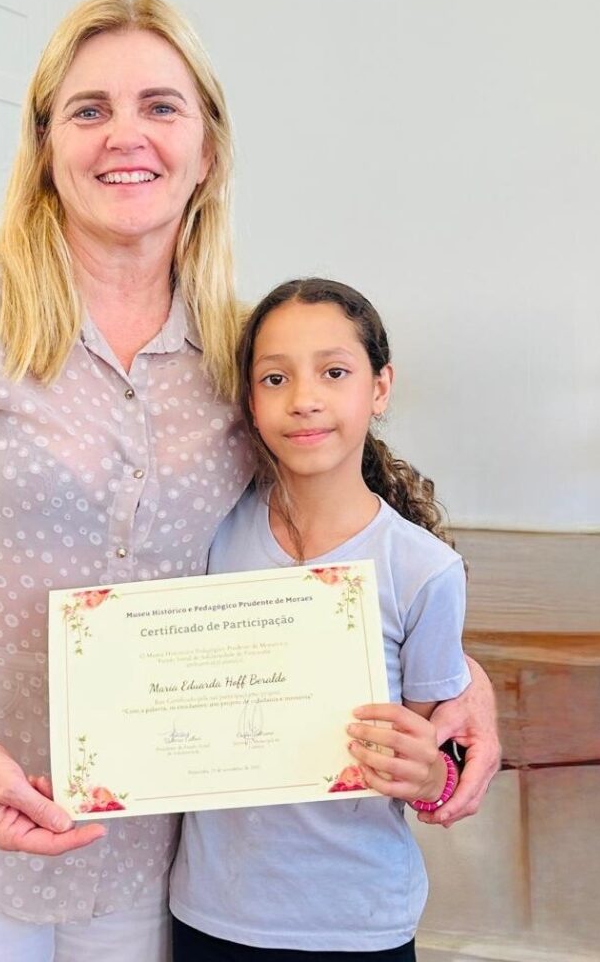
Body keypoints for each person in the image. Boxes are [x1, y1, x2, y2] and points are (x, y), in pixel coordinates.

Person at [0, 0, 498, 962]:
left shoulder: (238, 352)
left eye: (159, 107)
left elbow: (326, 540)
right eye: (88, 109)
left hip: (143, 838)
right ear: (45, 143)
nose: (123, 135)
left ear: (206, 149)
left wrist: (460, 681)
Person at [169, 278, 476, 961]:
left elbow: (433, 757)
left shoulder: (422, 572)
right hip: (209, 914)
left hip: (356, 923)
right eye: (274, 378)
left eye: (334, 372)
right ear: (250, 400)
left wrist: (433, 780)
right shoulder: (211, 536)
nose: (304, 398)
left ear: (380, 387)